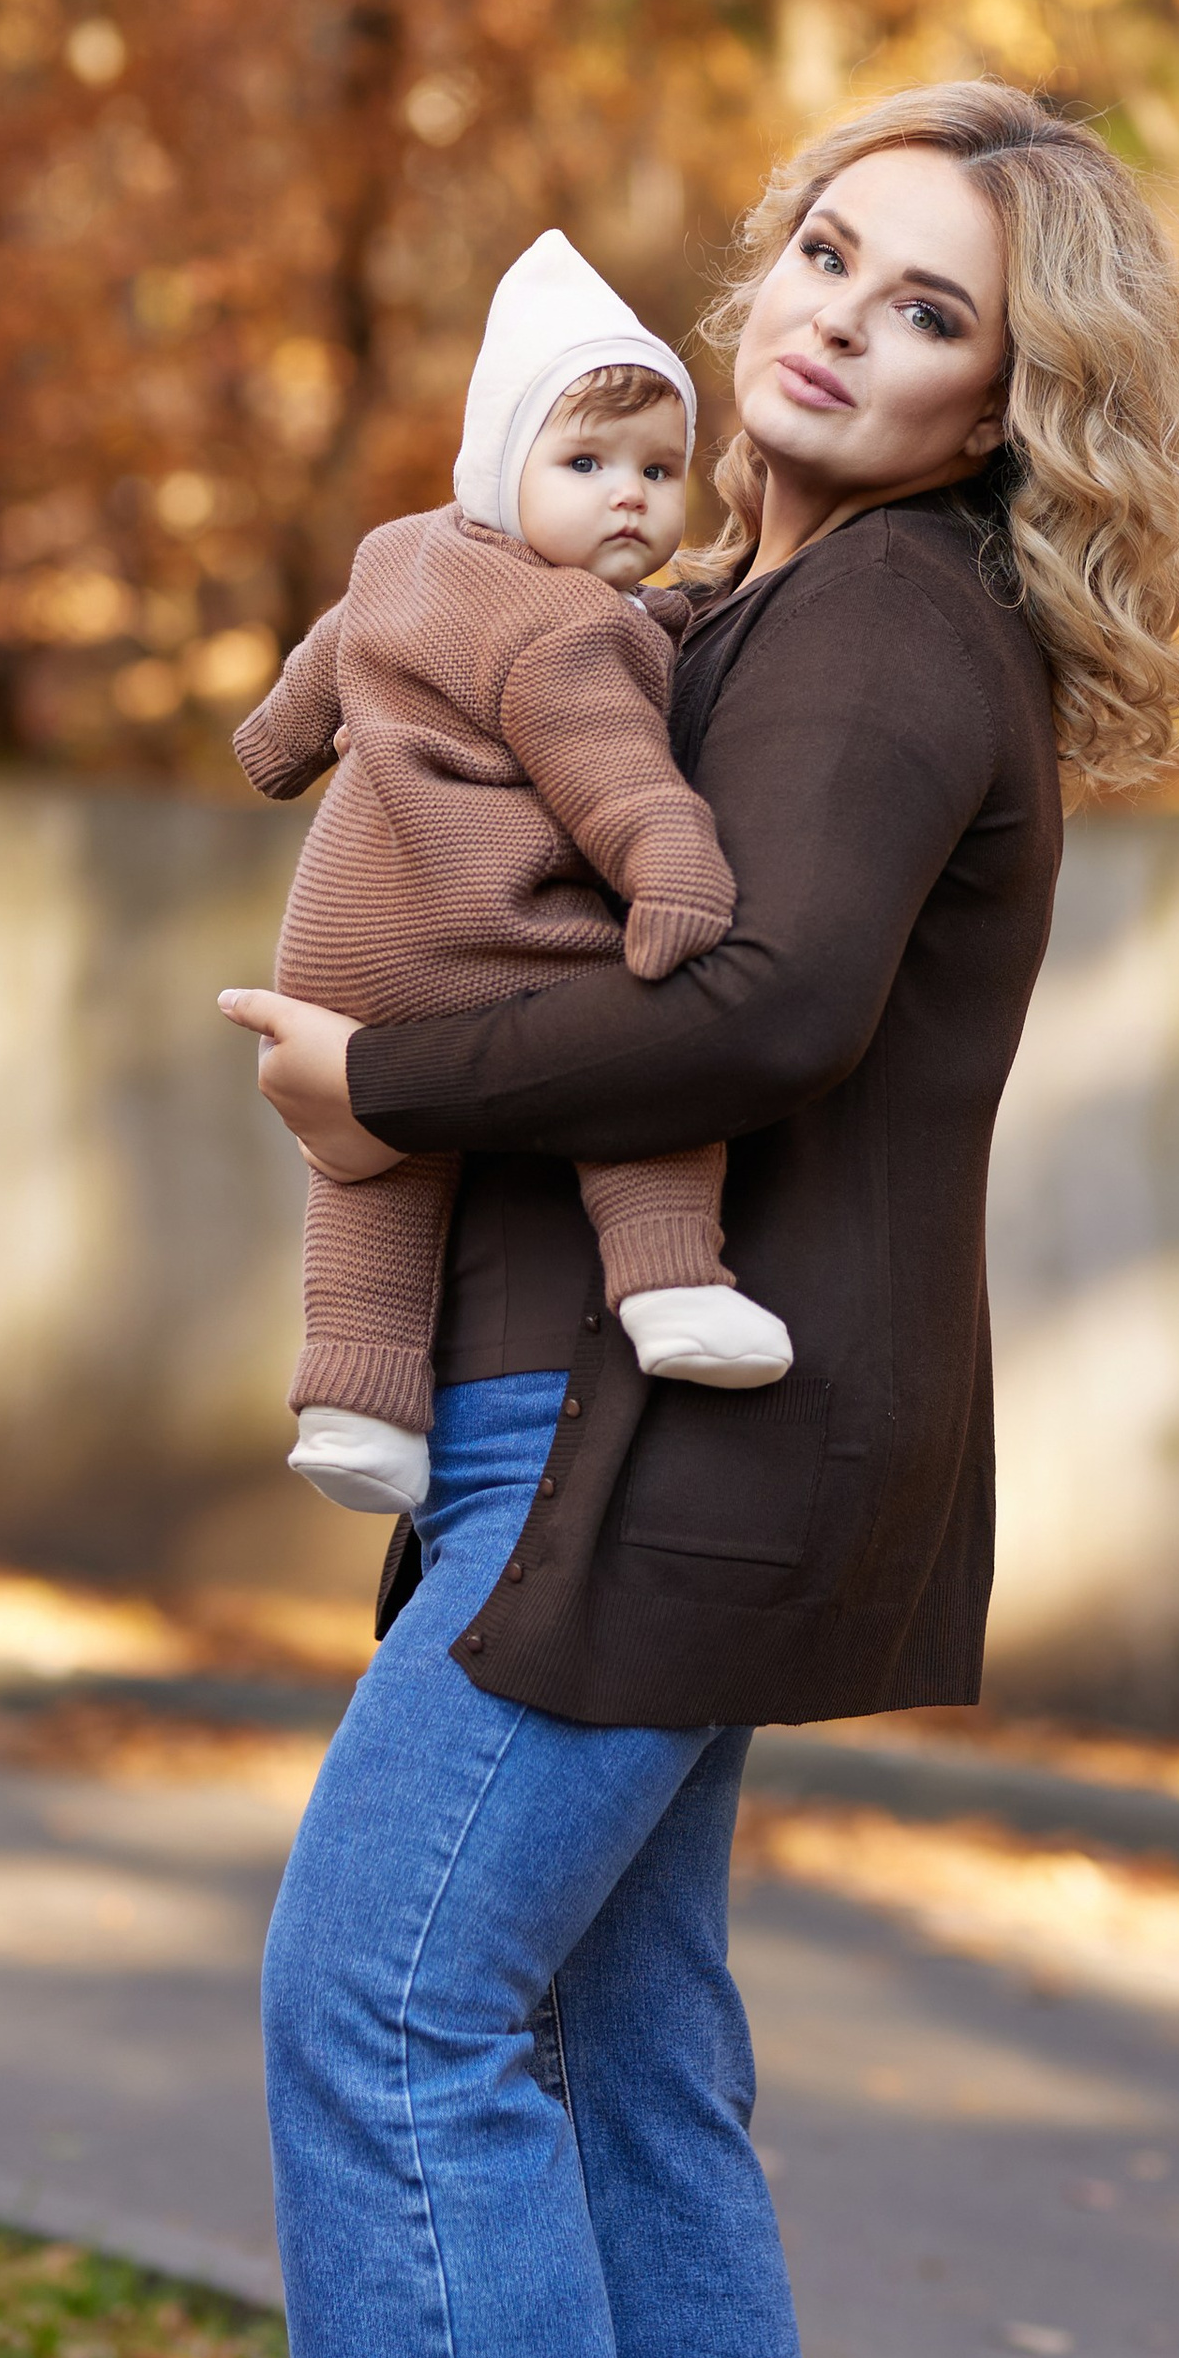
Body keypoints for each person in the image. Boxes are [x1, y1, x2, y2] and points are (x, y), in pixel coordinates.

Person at [218, 80, 1179, 2358]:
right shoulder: (747, 599)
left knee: (385, 2010)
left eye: (937, 318)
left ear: (1018, 414)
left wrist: (374, 1093)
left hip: (678, 1450)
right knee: (623, 2062)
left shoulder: (891, 629)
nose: (840, 324)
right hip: (649, 1425)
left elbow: (763, 1003)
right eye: (829, 255)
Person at [232, 229, 792, 1530]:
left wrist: (270, 751)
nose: (633, 499)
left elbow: (305, 694)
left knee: (373, 1174)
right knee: (637, 1078)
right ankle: (670, 1284)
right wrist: (673, 877)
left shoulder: (397, 555)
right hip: (485, 936)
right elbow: (613, 779)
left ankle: (355, 1405)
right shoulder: (567, 633)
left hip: (336, 956)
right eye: (587, 464)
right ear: (501, 466)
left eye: (659, 469)